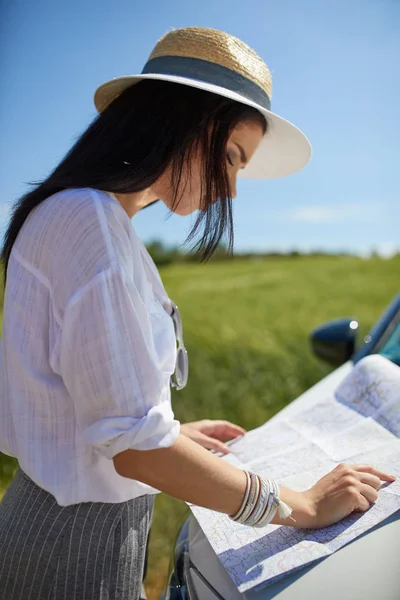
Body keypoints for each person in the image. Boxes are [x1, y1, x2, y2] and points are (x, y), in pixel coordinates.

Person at [0, 26, 395, 600]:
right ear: (182, 122)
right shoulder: (88, 223)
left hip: (74, 532)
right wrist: (297, 504)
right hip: (71, 549)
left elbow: (85, 404)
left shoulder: (94, 222)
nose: (233, 188)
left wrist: (172, 430)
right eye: (232, 156)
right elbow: (134, 447)